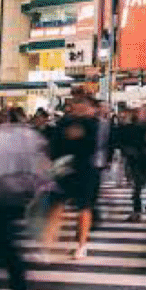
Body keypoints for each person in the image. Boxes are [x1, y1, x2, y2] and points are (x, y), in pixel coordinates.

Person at [0, 107, 48, 290]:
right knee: (3, 242)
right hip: (14, 195)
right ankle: (14, 281)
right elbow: (41, 162)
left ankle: (4, 281)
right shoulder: (29, 135)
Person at [41, 95, 101, 260]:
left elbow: (91, 146)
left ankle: (81, 245)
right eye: (75, 104)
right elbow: (54, 146)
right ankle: (48, 244)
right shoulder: (64, 123)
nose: (77, 107)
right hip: (64, 169)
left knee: (83, 208)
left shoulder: (92, 123)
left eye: (81, 104)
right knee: (56, 206)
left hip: (84, 170)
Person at [115, 104, 146, 221]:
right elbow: (119, 141)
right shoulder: (129, 127)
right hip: (136, 160)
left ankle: (140, 209)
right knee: (137, 186)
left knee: (143, 185)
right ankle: (137, 210)